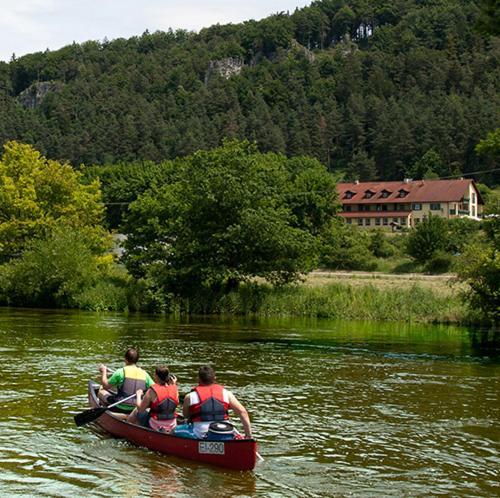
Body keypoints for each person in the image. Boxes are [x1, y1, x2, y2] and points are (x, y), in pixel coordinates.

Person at [174, 365, 252, 439]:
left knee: (175, 430)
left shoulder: (190, 396)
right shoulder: (227, 394)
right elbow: (243, 412)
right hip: (225, 431)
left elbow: (186, 415)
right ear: (214, 378)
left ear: (198, 379)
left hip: (200, 433)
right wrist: (248, 436)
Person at [98, 348, 154, 417]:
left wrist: (104, 372)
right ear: (137, 360)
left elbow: (105, 386)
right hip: (137, 408)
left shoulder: (120, 372)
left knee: (101, 390)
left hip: (119, 407)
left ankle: (105, 411)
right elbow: (155, 389)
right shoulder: (145, 374)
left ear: (125, 359)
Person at [127, 365, 179, 433]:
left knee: (136, 410)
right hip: (172, 425)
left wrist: (138, 395)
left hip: (156, 425)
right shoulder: (175, 388)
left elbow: (140, 408)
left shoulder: (152, 391)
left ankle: (129, 430)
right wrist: (173, 384)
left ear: (156, 376)